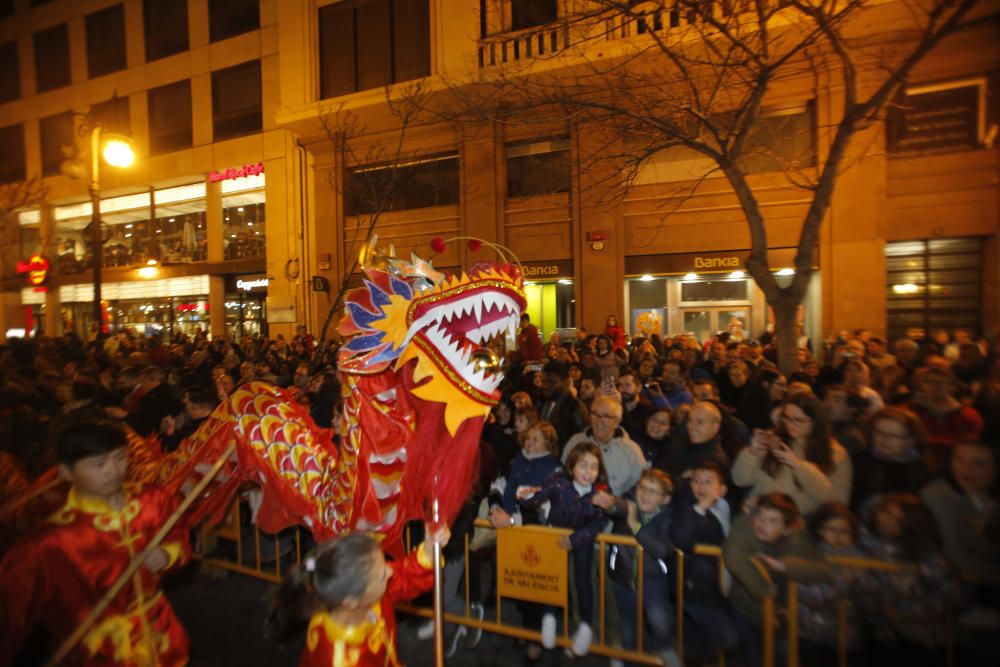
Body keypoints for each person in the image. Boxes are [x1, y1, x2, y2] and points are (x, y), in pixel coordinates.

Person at [0, 420, 192, 665]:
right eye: (99, 464)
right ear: (66, 472)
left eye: (120, 458)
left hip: (162, 639)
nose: (114, 470)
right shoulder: (49, 542)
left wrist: (170, 554)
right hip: (97, 653)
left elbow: (179, 535)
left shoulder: (152, 499)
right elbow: (10, 621)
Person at [273, 525, 450, 666]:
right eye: (382, 575)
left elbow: (403, 577)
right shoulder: (341, 660)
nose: (389, 571)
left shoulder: (363, 594)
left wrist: (428, 548)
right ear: (351, 602)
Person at [517, 442, 611, 657]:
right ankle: (548, 618)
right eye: (583, 465)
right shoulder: (559, 483)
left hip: (582, 540)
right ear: (572, 466)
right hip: (555, 538)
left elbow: (599, 522)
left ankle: (586, 626)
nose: (589, 472)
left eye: (594, 466)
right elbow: (538, 495)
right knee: (553, 579)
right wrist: (525, 495)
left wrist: (576, 539)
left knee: (582, 581)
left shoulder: (601, 492)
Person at [723, 493, 832, 667]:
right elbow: (732, 555)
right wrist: (765, 590)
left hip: (779, 615)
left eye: (772, 521)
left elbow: (825, 570)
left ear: (787, 528)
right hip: (746, 607)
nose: (762, 524)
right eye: (761, 516)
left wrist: (785, 567)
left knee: (783, 658)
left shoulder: (795, 540)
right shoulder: (744, 527)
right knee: (756, 658)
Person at [860, 494, 963, 667]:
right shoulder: (865, 542)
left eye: (897, 518)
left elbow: (950, 593)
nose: (887, 520)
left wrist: (904, 611)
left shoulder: (926, 554)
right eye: (885, 512)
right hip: (876, 630)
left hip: (915, 635)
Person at [598, 469, 682, 667]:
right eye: (642, 488)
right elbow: (618, 506)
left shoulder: (669, 520)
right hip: (623, 577)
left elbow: (661, 550)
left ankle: (663, 646)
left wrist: (635, 526)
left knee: (659, 620)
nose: (645, 494)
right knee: (629, 625)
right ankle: (631, 659)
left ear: (665, 499)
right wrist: (609, 503)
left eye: (652, 491)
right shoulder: (630, 506)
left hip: (653, 579)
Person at [732, 394, 852, 515]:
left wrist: (799, 466)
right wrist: (752, 453)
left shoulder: (835, 452)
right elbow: (740, 480)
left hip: (799, 522)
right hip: (760, 514)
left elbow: (837, 501)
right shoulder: (774, 438)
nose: (790, 424)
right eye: (787, 418)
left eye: (799, 420)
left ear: (816, 421)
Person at [669, 461, 739, 662]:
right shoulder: (688, 509)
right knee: (728, 637)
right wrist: (701, 507)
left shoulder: (724, 507)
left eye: (708, 482)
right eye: (696, 481)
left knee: (698, 645)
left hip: (716, 586)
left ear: (722, 489)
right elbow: (680, 537)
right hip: (694, 586)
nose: (701, 487)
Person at [797, 503, 872, 667]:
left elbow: (871, 599)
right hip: (814, 633)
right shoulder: (809, 555)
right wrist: (842, 582)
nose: (838, 536)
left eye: (844, 531)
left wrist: (862, 581)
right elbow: (809, 596)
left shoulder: (861, 558)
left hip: (848, 635)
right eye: (831, 529)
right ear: (819, 529)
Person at [563, 396, 646, 497]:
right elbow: (563, 475)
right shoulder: (575, 442)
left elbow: (640, 487)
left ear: (617, 421)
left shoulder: (632, 451)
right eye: (595, 414)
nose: (598, 420)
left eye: (606, 416)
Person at [850, 407, 930, 511]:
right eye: (879, 432)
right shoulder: (860, 462)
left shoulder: (923, 470)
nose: (885, 439)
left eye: (894, 435)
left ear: (911, 440)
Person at [538, 361, 590, 451]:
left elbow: (582, 443)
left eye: (552, 382)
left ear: (567, 382)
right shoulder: (546, 403)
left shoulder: (576, 409)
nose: (545, 386)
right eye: (543, 381)